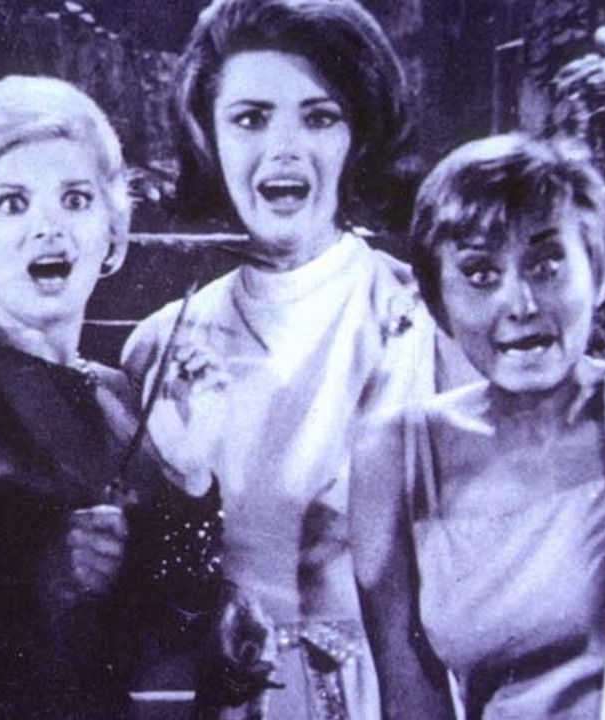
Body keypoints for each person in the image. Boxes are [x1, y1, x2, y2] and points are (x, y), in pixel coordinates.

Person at [122, 1, 469, 716]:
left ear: (358, 135)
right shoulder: (160, 345)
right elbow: (149, 610)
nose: (283, 148)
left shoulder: (428, 323)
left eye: (319, 117)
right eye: (251, 118)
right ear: (208, 137)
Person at [0, 75, 230, 720]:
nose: (48, 228)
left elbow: (175, 634)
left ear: (112, 230)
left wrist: (193, 476)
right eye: (12, 203)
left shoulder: (123, 394)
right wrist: (47, 578)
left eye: (75, 199)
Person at [352, 134, 605, 719]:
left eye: (546, 265)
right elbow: (411, 702)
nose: (522, 304)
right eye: (481, 274)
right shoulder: (395, 454)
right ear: (438, 303)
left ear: (600, 271)